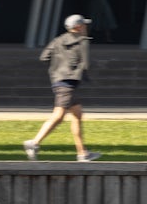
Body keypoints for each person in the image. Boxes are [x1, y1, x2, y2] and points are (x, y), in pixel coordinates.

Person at [23, 14, 102, 162]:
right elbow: (86, 64)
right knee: (58, 116)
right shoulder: (83, 41)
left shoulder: (57, 40)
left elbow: (44, 57)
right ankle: (34, 143)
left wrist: (58, 68)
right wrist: (75, 69)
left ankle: (82, 153)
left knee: (77, 115)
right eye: (84, 25)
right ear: (78, 27)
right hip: (68, 83)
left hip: (58, 81)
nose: (86, 27)